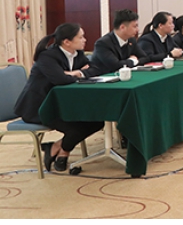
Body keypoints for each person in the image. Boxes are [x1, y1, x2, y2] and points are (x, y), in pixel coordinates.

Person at [14, 23, 103, 172]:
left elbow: (96, 70)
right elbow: (60, 79)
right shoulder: (47, 57)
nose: (85, 40)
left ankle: (57, 147)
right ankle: (63, 154)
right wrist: (75, 74)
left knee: (97, 120)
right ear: (67, 42)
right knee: (76, 128)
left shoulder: (77, 54)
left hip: (62, 104)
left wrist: (74, 73)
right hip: (40, 107)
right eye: (80, 37)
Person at [91, 9, 147, 74]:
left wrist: (128, 62)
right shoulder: (103, 43)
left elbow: (145, 58)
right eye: (135, 26)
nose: (138, 30)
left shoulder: (131, 40)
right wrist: (132, 60)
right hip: (104, 76)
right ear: (122, 27)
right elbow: (115, 66)